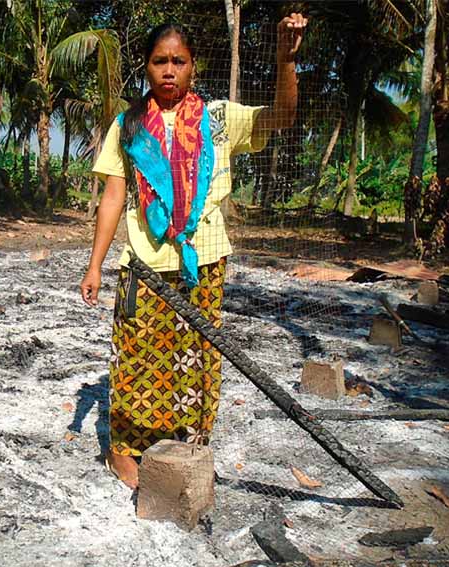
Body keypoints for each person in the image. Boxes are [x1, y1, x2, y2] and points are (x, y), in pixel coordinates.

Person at [80, 14, 307, 489]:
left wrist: (287, 61)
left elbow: (283, 117)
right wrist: (95, 264)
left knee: (197, 357)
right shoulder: (129, 126)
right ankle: (124, 451)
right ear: (145, 67)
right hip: (143, 263)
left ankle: (186, 447)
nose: (168, 70)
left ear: (192, 67)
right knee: (136, 357)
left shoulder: (219, 119)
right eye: (159, 61)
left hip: (204, 260)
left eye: (177, 61)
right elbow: (115, 196)